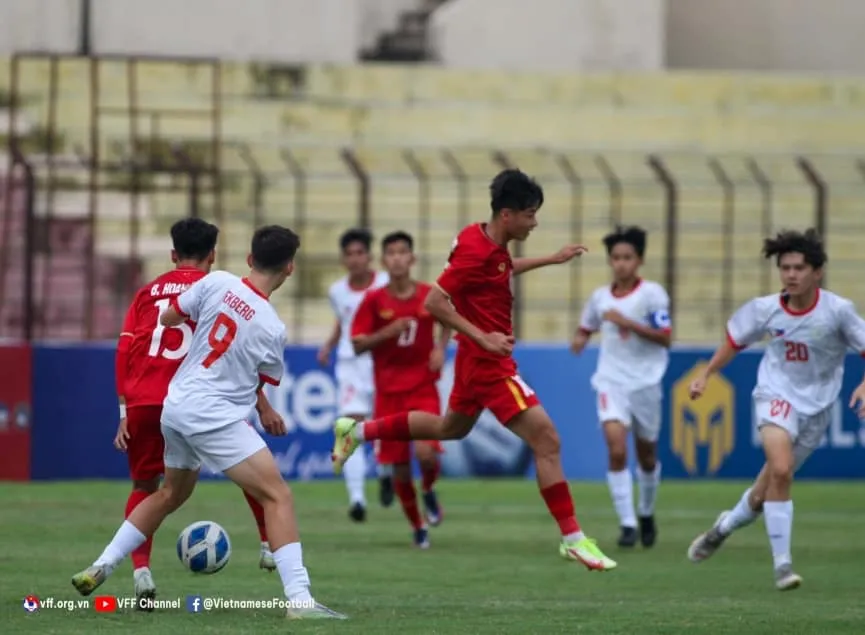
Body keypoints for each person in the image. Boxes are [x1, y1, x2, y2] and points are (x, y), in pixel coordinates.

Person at [332, 169, 617, 571]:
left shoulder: (478, 237)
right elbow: (434, 301)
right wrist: (483, 337)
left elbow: (499, 269)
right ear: (507, 215)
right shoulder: (475, 251)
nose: (534, 222)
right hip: (488, 364)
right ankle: (573, 537)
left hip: (472, 360)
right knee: (547, 440)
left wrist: (551, 259)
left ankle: (358, 430)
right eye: (530, 214)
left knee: (450, 429)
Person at [72, 225, 346, 620]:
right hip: (213, 415)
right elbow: (260, 377)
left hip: (177, 405)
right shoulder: (272, 328)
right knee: (278, 496)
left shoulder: (216, 282)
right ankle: (300, 601)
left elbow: (169, 316)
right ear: (290, 268)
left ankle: (101, 564)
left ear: (250, 259)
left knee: (169, 494)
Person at [114, 218, 280, 608]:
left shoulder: (146, 294)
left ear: (173, 255)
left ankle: (140, 572)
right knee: (250, 469)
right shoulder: (221, 287)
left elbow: (124, 353)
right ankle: (267, 544)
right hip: (198, 399)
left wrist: (123, 410)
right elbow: (237, 355)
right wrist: (263, 404)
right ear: (214, 255)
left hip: (144, 401)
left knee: (145, 488)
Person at [686, 229, 865, 591]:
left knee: (764, 489)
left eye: (799, 267)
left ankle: (723, 527)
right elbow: (733, 343)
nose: (791, 275)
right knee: (781, 470)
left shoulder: (838, 312)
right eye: (785, 267)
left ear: (817, 272)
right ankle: (783, 566)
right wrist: (706, 374)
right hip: (775, 395)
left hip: (817, 408)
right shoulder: (764, 309)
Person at [570, 225, 670, 548]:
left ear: (639, 260)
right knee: (616, 449)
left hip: (646, 382)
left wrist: (628, 323)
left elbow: (665, 338)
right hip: (610, 380)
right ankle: (627, 524)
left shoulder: (652, 294)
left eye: (627, 257)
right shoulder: (600, 298)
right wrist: (580, 338)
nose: (621, 264)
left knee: (647, 457)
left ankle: (646, 512)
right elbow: (586, 326)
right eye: (616, 258)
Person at [350, 231, 450, 548]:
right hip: (389, 392)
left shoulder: (428, 294)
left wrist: (440, 347)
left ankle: (430, 490)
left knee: (426, 452)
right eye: (390, 253)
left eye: (402, 252)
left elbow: (449, 318)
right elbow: (357, 345)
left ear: (412, 259)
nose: (397, 258)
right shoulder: (374, 300)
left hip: (422, 387)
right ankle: (418, 526)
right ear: (384, 261)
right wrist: (388, 332)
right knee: (401, 469)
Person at [317, 228, 390, 521]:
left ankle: (385, 473)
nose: (356, 259)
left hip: (382, 363)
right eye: (350, 254)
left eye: (361, 253)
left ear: (369, 256)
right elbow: (344, 321)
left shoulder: (385, 284)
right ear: (343, 259)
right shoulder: (337, 291)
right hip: (350, 365)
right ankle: (357, 499)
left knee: (384, 426)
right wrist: (329, 345)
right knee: (350, 428)